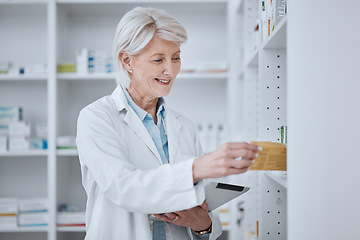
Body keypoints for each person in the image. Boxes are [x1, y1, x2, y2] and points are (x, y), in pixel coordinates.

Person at [76, 6, 260, 240]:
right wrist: (197, 168)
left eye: (176, 58)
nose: (170, 70)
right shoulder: (97, 118)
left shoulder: (185, 126)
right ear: (126, 60)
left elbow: (208, 217)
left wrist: (203, 224)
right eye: (158, 59)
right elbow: (123, 187)